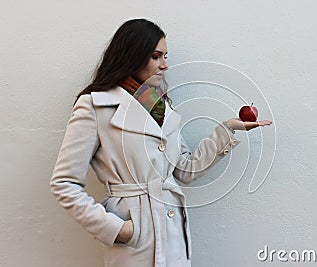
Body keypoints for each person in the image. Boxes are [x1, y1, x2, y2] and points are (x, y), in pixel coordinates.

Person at [50, 18, 272, 267]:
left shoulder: (162, 106)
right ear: (132, 56)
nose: (165, 65)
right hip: (134, 237)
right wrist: (117, 229)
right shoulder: (95, 106)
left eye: (166, 56)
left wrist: (228, 130)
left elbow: (185, 170)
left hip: (172, 229)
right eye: (157, 56)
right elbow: (64, 183)